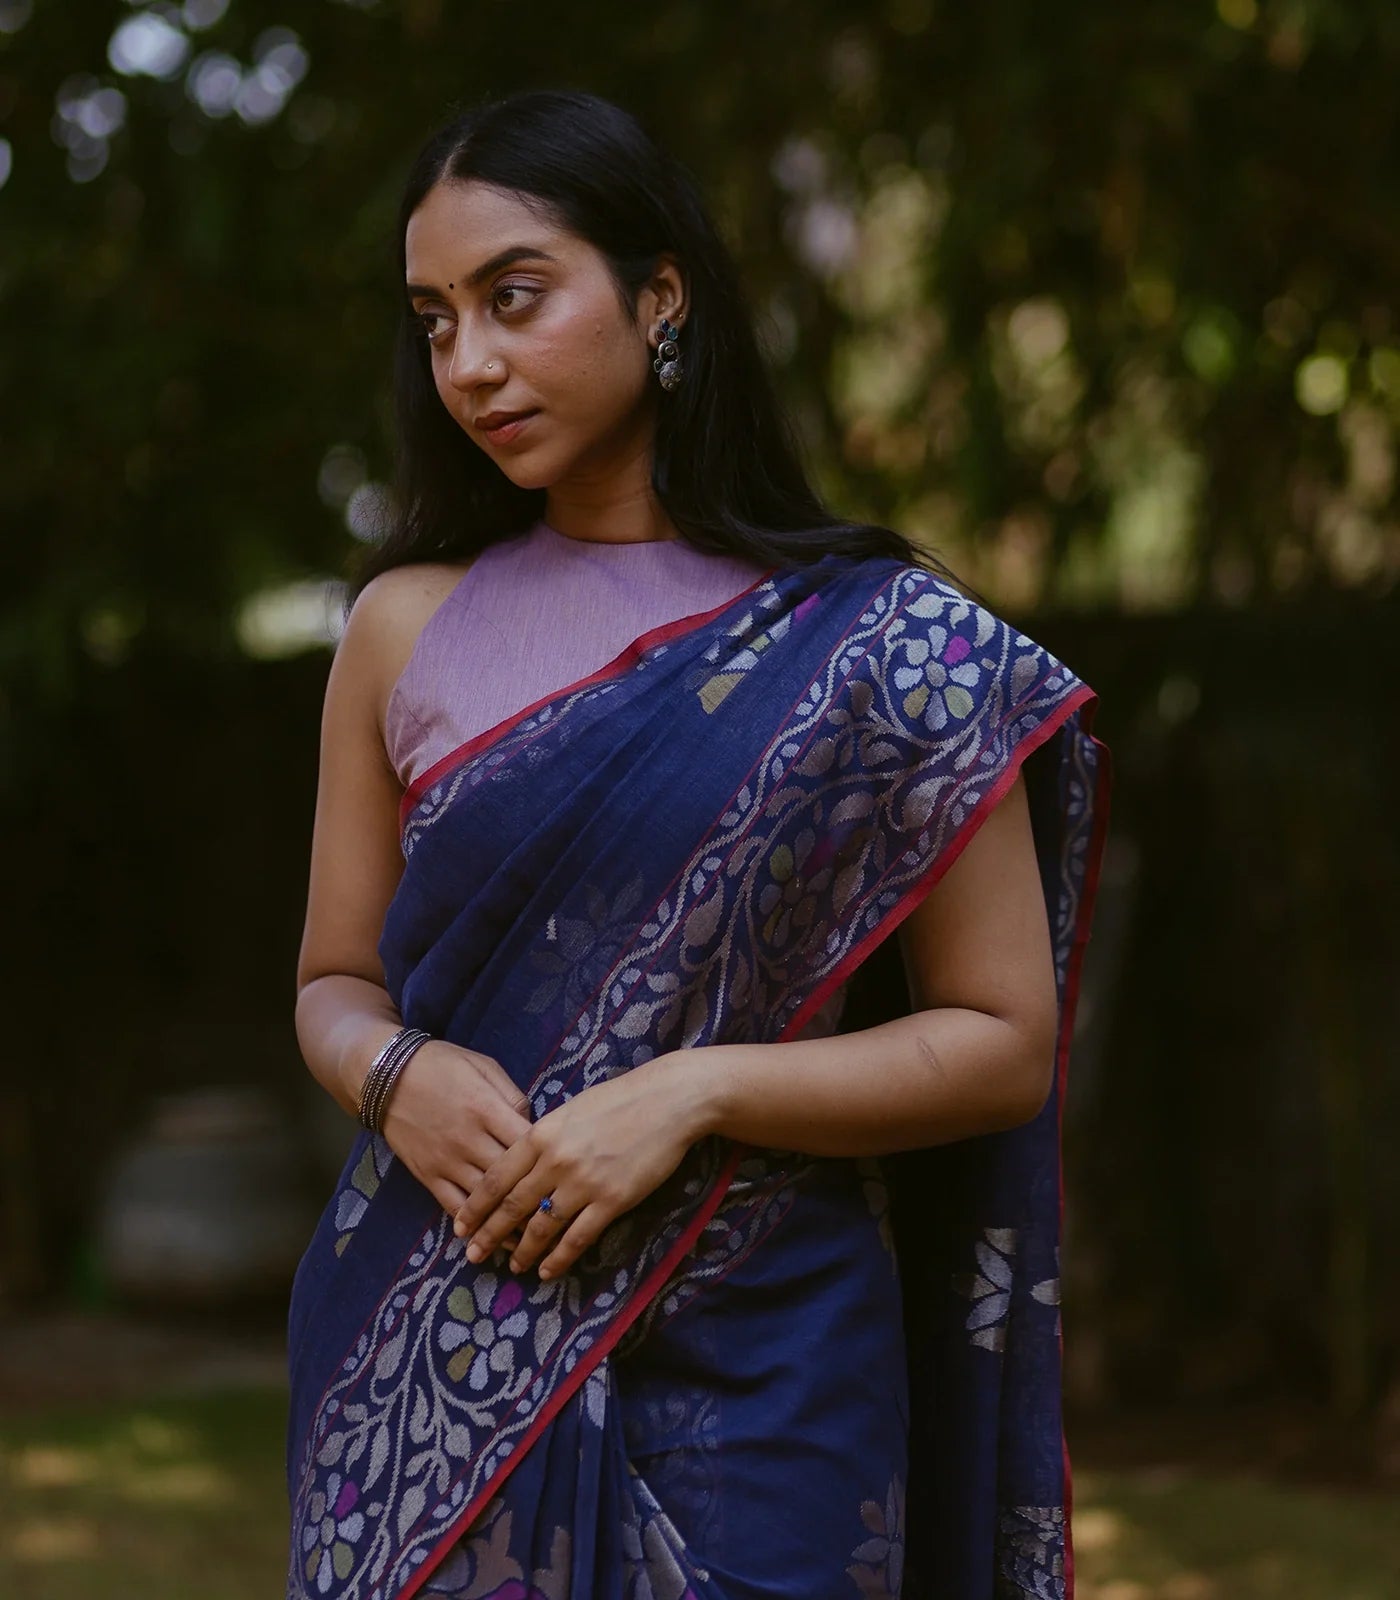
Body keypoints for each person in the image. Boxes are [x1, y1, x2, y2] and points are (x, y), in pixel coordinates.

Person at [285, 88, 1111, 1600]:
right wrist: (395, 1076)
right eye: (435, 319)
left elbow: (1003, 1039)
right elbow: (333, 979)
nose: (470, 362)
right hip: (439, 1341)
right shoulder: (405, 629)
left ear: (660, 294)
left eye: (515, 297)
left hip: (772, 1368)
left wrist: (690, 1091)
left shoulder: (884, 649)